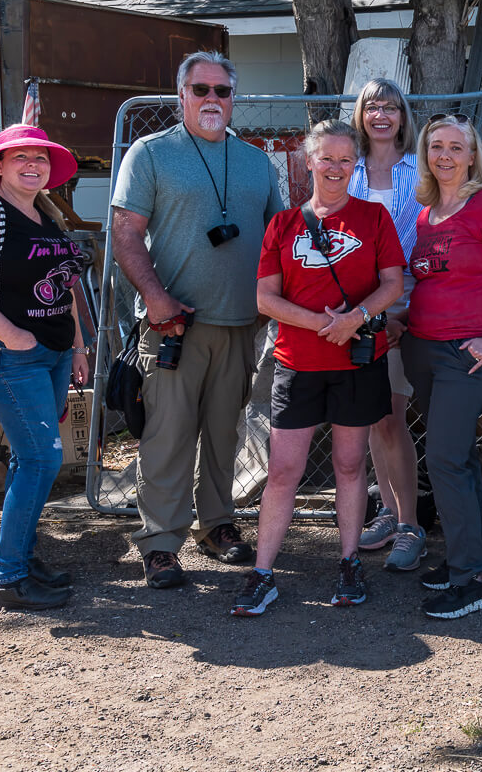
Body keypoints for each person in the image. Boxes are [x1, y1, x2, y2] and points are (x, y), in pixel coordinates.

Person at [111, 50, 284, 589]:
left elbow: (278, 241)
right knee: (167, 436)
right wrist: (155, 298)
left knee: (224, 434)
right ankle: (160, 542)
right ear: (181, 95)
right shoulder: (151, 153)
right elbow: (125, 232)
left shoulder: (257, 162)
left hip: (241, 324)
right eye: (201, 89)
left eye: (222, 91)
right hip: (174, 325)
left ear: (233, 99)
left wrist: (277, 307)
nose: (212, 99)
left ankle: (216, 525)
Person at [234, 120, 406, 615]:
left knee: (350, 465)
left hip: (357, 363)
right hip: (297, 364)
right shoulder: (283, 224)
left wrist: (355, 319)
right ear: (308, 161)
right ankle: (263, 573)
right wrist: (324, 324)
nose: (335, 167)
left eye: (345, 159)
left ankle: (349, 563)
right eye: (326, 158)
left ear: (356, 165)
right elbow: (265, 299)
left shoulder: (374, 218)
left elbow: (392, 283)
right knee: (283, 470)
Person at [0, 125, 88, 611]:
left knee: (31, 460)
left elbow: (64, 286)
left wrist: (79, 347)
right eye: (20, 156)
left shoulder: (47, 216)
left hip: (54, 352)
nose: (32, 165)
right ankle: (8, 579)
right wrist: (11, 334)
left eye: (40, 158)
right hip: (12, 356)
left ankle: (22, 557)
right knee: (43, 459)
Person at [402, 113, 482, 618]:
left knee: (444, 459)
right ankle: (466, 556)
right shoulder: (426, 213)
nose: (445, 155)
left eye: (456, 147)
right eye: (436, 146)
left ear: (473, 156)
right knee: (458, 460)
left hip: (465, 355)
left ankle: (474, 580)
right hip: (423, 350)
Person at [346, 78, 428, 572]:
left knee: (392, 418)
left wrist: (401, 313)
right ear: (360, 114)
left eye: (390, 107)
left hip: (406, 305)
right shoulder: (346, 167)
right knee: (373, 417)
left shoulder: (420, 169)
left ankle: (411, 524)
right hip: (355, 308)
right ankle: (389, 512)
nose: (381, 115)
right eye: (372, 106)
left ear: (402, 116)